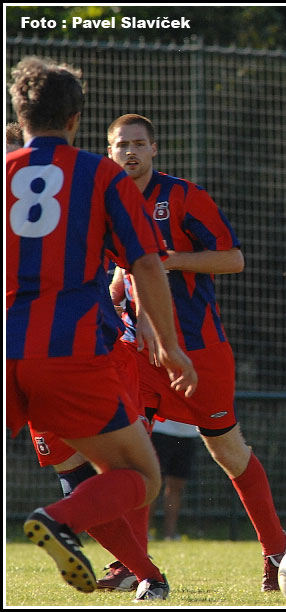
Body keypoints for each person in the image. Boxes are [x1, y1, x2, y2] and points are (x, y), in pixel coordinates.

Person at [6, 56, 197, 601]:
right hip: (66, 352)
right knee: (141, 476)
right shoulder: (100, 174)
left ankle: (142, 571)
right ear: (75, 119)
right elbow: (146, 264)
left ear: (20, 117)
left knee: (75, 468)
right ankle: (58, 520)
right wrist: (170, 345)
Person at [106, 113, 286, 591]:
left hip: (200, 349)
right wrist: (116, 291)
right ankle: (133, 564)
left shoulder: (183, 196)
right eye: (122, 144)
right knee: (134, 453)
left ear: (154, 149)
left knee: (228, 452)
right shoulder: (106, 202)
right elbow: (118, 268)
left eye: (139, 143)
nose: (130, 151)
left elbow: (233, 258)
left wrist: (169, 261)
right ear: (109, 152)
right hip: (139, 351)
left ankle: (276, 549)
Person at [149, 418, 201, 541]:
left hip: (188, 434)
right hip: (160, 431)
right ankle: (145, 532)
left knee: (177, 486)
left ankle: (170, 534)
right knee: (153, 484)